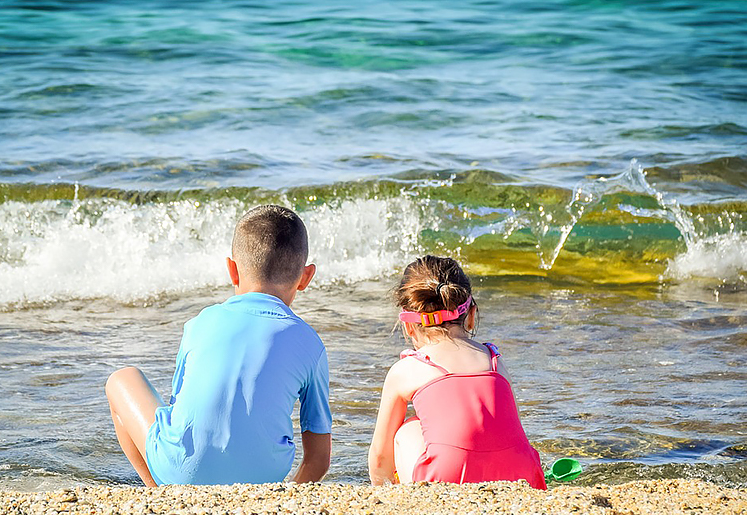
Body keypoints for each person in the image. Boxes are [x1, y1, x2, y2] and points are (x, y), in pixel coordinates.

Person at [106, 205, 332, 486]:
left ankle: (158, 491)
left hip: (181, 471)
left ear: (232, 270)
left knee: (121, 379)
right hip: (265, 478)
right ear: (306, 277)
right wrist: (282, 496)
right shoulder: (309, 342)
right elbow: (319, 458)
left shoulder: (201, 322)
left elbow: (178, 410)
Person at [368, 255, 546, 488]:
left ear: (408, 325)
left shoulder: (407, 370)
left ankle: (410, 495)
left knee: (407, 430)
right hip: (523, 474)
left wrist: (380, 489)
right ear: (471, 315)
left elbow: (380, 457)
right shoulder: (494, 361)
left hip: (445, 479)